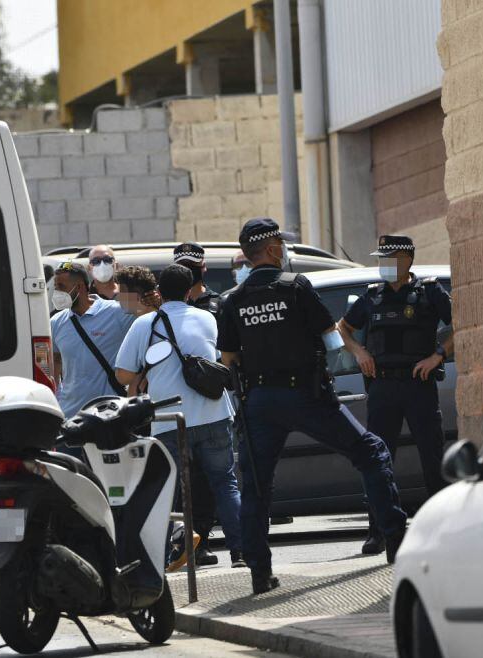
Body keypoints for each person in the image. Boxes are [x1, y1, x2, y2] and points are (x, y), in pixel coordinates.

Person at [218, 218, 407, 594]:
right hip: (307, 395)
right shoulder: (296, 287)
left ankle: (260, 573)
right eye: (281, 243)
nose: (284, 249)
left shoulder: (232, 300)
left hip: (259, 402)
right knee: (371, 453)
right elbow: (333, 343)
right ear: (272, 249)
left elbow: (228, 360)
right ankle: (396, 545)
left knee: (256, 486)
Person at [115, 264, 245, 571]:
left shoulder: (145, 324)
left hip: (169, 417)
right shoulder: (207, 318)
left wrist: (149, 370)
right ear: (190, 291)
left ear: (159, 290)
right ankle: (241, 552)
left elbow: (123, 373)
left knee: (169, 492)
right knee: (225, 483)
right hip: (214, 413)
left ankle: (171, 555)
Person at [337, 235, 453, 554]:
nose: (382, 266)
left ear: (406, 259)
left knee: (432, 458)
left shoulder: (429, 292)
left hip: (419, 385)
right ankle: (379, 531)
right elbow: (342, 328)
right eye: (380, 260)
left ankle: (440, 527)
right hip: (383, 387)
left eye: (388, 259)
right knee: (378, 459)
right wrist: (359, 352)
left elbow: (460, 323)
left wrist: (438, 356)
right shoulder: (373, 297)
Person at [170, 242, 230, 568]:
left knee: (209, 480)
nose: (191, 270)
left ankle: (203, 539)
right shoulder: (164, 308)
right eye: (183, 265)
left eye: (194, 265)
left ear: (203, 269)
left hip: (210, 403)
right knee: (183, 480)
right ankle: (184, 543)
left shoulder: (216, 305)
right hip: (177, 407)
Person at [50, 261, 135, 423]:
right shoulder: (56, 322)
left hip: (109, 416)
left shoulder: (116, 312)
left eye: (61, 286)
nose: (57, 292)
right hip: (70, 417)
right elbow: (54, 361)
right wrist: (56, 398)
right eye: (56, 286)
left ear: (80, 287)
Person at [172, 242, 221, 314]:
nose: (187, 269)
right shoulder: (169, 303)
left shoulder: (217, 302)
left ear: (203, 266)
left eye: (192, 263)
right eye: (182, 264)